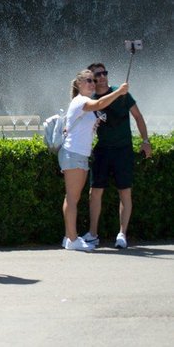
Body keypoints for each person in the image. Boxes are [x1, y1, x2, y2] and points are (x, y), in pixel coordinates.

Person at [82, 63, 152, 250]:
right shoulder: (92, 99)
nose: (103, 76)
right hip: (102, 150)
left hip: (123, 150)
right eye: (98, 74)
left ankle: (122, 234)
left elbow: (138, 116)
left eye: (105, 73)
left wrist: (145, 140)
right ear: (92, 78)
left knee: (125, 191)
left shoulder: (122, 93)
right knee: (95, 192)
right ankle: (93, 234)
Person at [59, 70, 128, 251]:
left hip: (79, 154)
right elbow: (99, 104)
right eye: (89, 80)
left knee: (73, 198)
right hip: (73, 153)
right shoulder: (81, 100)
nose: (93, 83)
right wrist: (119, 92)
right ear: (79, 84)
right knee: (72, 198)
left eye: (94, 81)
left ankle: (69, 237)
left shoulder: (83, 102)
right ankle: (72, 240)